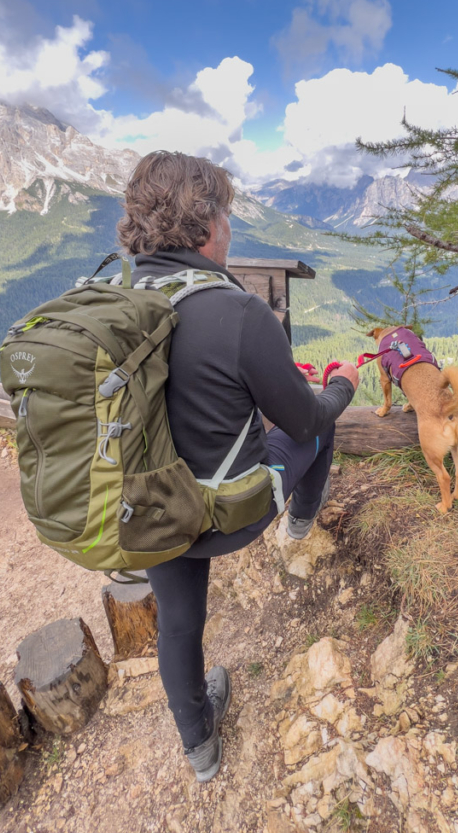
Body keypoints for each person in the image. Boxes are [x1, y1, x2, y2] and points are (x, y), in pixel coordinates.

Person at [117, 151, 359, 782]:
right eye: (226, 214)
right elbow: (303, 420)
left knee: (178, 622)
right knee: (320, 430)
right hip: (229, 520)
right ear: (207, 225)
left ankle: (200, 750)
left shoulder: (116, 299)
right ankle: (298, 529)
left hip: (146, 510)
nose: (231, 228)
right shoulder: (239, 312)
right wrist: (343, 387)